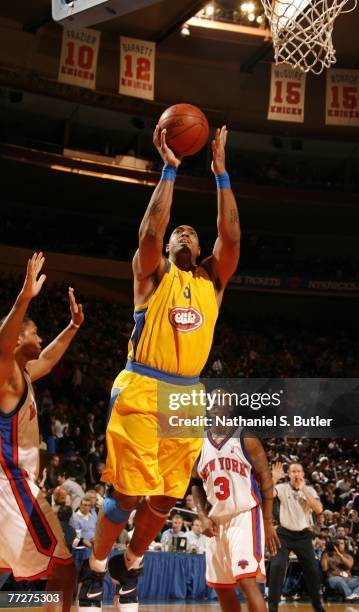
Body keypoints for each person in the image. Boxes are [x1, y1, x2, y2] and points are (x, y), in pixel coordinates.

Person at [78, 125, 241, 612]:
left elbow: (231, 238)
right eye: (178, 233)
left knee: (167, 498)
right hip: (142, 385)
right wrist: (170, 168)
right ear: (168, 248)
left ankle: (130, 561)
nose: (184, 233)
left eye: (192, 231)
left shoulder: (211, 281)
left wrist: (221, 176)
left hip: (187, 395)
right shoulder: (152, 273)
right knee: (127, 494)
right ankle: (96, 567)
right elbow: (150, 229)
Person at [0, 253, 84, 612]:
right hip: (12, 486)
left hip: (12, 486)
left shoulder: (24, 376)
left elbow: (48, 358)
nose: (41, 337)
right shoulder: (5, 377)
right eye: (35, 332)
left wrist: (74, 326)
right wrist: (24, 298)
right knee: (63, 568)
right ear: (18, 338)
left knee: (19, 577)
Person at [191, 391, 280, 612]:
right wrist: (202, 517)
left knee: (247, 581)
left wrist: (268, 522)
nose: (213, 407)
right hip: (216, 519)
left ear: (229, 408)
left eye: (219, 403)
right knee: (221, 587)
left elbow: (267, 482)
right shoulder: (198, 443)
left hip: (244, 515)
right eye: (211, 403)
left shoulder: (246, 439)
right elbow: (194, 484)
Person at [267, 462, 325, 612]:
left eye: (299, 471)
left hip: (303, 535)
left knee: (312, 569)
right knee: (277, 566)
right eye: (293, 471)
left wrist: (303, 489)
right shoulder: (281, 488)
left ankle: (318, 606)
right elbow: (266, 494)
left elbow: (319, 509)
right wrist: (273, 479)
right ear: (289, 475)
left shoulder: (310, 490)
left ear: (303, 474)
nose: (296, 474)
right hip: (284, 534)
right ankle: (272, 607)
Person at [321, 537, 359, 602]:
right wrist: (325, 555)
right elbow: (324, 569)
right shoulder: (328, 556)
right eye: (338, 544)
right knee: (338, 580)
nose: (339, 545)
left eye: (342, 544)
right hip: (334, 578)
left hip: (348, 580)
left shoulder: (348, 556)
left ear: (345, 545)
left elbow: (349, 565)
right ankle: (352, 596)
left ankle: (356, 594)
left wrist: (339, 554)